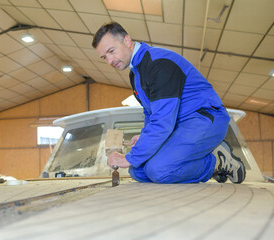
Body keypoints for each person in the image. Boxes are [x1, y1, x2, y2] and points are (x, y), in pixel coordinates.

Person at [92, 22, 246, 184]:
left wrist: (130, 157)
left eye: (111, 51)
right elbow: (151, 114)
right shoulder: (136, 73)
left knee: (159, 170)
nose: (109, 61)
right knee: (138, 172)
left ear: (127, 41)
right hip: (178, 126)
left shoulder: (158, 63)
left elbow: (163, 121)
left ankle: (216, 161)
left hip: (204, 119)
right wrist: (145, 138)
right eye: (104, 57)